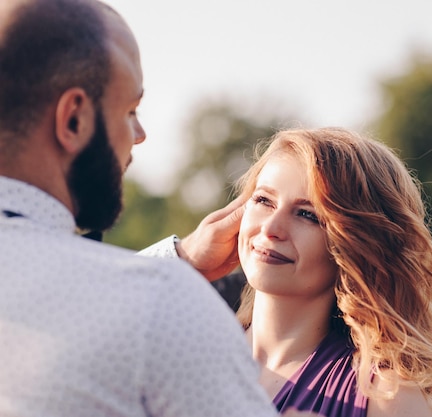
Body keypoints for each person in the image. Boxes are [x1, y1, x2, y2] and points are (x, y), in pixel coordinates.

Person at [0, 1, 313, 416]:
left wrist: (179, 259)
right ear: (73, 119)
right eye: (129, 110)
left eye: (308, 213)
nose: (141, 134)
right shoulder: (161, 307)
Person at [230, 127, 432, 417]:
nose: (271, 229)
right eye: (264, 200)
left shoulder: (387, 395)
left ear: (357, 244)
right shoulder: (190, 351)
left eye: (308, 215)